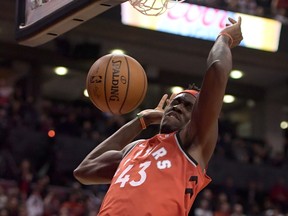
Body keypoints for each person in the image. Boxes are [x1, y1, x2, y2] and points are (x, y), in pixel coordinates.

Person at [73, 17, 243, 215]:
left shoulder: (192, 144)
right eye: (176, 102)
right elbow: (84, 170)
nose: (178, 107)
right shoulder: (134, 149)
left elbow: (217, 69)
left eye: (188, 106)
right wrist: (141, 121)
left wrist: (224, 39)